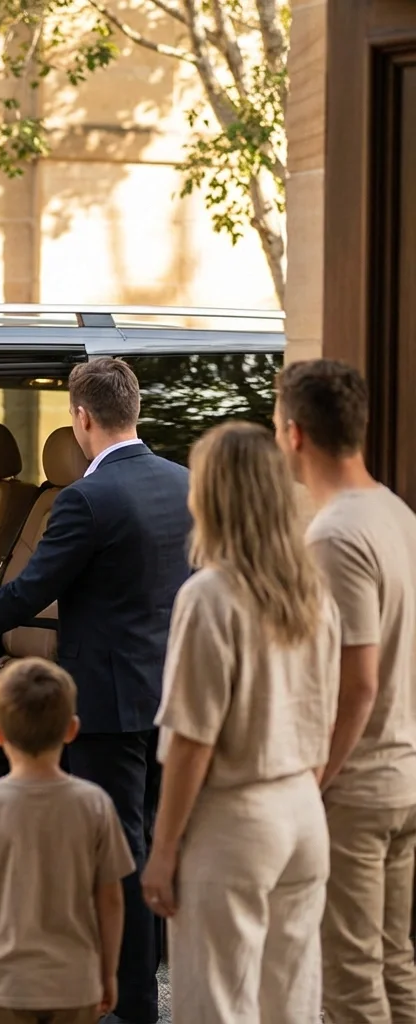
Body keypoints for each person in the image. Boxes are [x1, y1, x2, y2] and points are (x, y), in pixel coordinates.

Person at [0, 358, 191, 1024]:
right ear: (135, 410)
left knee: (123, 858)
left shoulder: (86, 499)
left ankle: (134, 1010)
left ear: (81, 417)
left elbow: (32, 590)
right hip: (171, 698)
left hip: (110, 705)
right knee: (152, 848)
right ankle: (144, 997)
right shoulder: (181, 482)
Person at [141, 421, 340, 1023]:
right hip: (303, 814)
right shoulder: (314, 593)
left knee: (217, 1007)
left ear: (214, 497)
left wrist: (164, 849)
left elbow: (193, 741)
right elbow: (326, 720)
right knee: (292, 1005)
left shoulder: (210, 597)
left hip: (234, 823)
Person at [276, 358, 416, 1023]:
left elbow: (357, 681)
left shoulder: (334, 535)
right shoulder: (397, 513)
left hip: (357, 789)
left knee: (350, 985)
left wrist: (314, 780)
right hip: (400, 777)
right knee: (394, 967)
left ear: (295, 434)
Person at [0, 657, 135, 1024]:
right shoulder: (95, 804)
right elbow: (111, 897)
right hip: (75, 983)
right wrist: (108, 973)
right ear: (72, 729)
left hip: (2, 983)